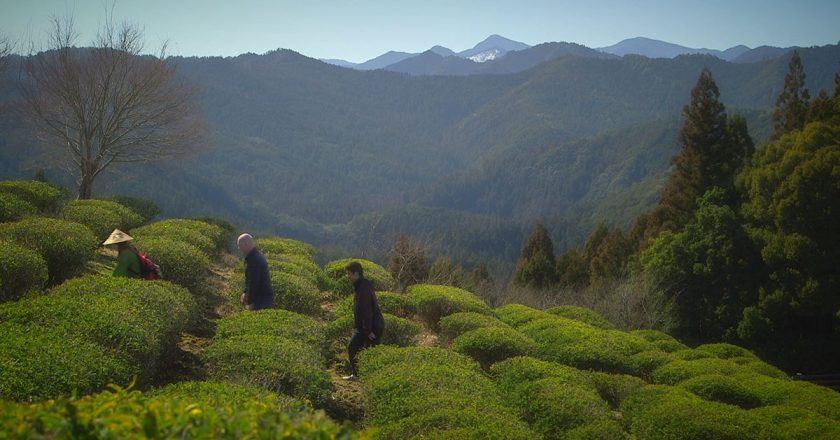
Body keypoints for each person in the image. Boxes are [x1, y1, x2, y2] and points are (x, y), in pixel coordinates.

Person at [343, 261, 385, 380]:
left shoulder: (363, 288)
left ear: (356, 273)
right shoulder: (362, 285)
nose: (348, 276)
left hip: (370, 327)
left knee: (354, 348)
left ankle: (361, 376)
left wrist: (368, 330)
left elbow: (366, 311)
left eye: (349, 274)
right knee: (364, 351)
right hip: (367, 326)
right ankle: (361, 376)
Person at [237, 233, 274, 310]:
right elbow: (250, 280)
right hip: (263, 298)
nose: (239, 249)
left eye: (240, 246)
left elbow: (254, 282)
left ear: (246, 244)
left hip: (262, 300)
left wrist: (250, 303)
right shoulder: (255, 256)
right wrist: (245, 292)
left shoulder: (254, 260)